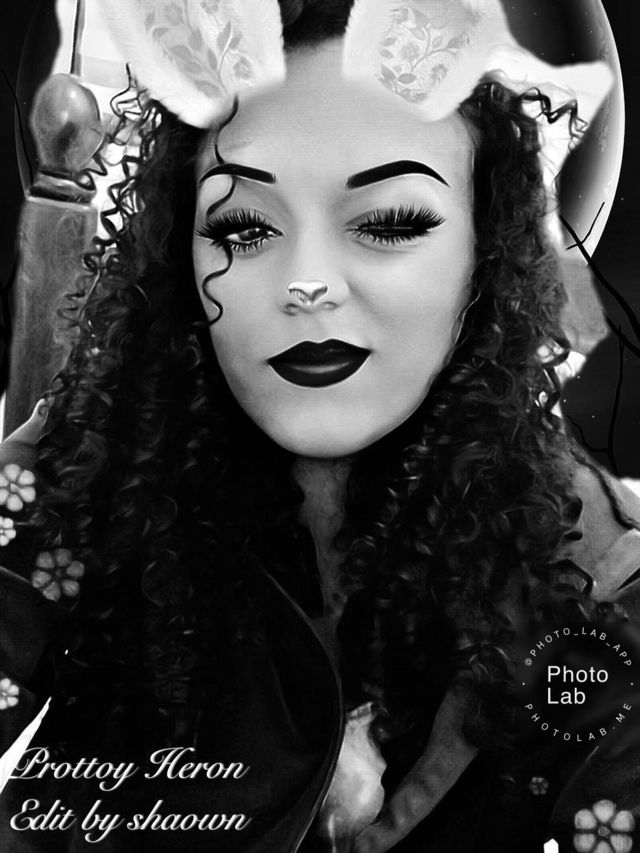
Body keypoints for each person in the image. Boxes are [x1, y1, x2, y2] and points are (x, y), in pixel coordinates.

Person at [0, 0, 639, 851]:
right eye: (243, 225)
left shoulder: (593, 571)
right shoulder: (87, 460)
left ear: (488, 251)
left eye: (389, 222)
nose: (307, 284)